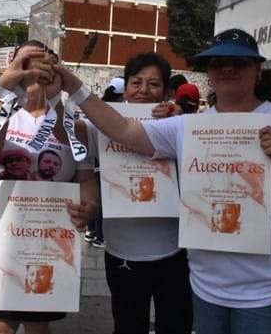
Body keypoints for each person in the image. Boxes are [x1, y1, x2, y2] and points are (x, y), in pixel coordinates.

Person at [50, 28, 271, 334]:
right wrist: (73, 86)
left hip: (266, 291)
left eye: (239, 62)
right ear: (209, 73)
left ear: (258, 71)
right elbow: (124, 130)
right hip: (206, 288)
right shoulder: (188, 127)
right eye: (218, 63)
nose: (228, 69)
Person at [0, 39, 98, 334]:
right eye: (28, 66)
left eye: (48, 66)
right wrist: (8, 88)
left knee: (37, 327)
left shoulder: (75, 124)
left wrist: (89, 206)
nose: (39, 74)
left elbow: (85, 178)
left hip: (45, 243)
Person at [79, 52, 193, 334]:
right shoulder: (103, 124)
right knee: (128, 326)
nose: (143, 90)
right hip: (123, 253)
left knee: (176, 325)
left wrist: (182, 116)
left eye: (153, 84)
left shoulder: (180, 126)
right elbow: (68, 132)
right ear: (126, 86)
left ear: (166, 90)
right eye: (136, 82)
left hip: (174, 251)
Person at [85, 76, 125, 247]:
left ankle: (90, 231)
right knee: (103, 200)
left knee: (95, 197)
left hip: (94, 158)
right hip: (108, 160)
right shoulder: (120, 111)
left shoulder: (99, 108)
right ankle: (100, 237)